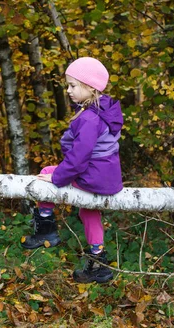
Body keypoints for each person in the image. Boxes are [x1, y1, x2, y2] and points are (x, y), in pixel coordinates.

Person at [20, 57, 124, 284]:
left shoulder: (89, 118)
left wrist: (57, 177)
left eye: (73, 85)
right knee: (88, 210)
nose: (68, 90)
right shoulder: (104, 110)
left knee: (47, 170)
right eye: (68, 85)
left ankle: (46, 227)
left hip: (93, 176)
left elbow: (79, 159)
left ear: (90, 87)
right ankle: (98, 261)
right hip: (109, 178)